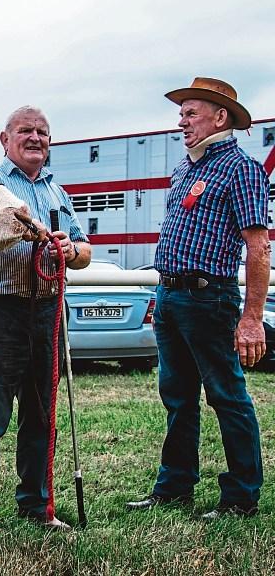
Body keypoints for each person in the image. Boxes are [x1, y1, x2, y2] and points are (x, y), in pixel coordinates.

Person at [126, 78, 269, 519]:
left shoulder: (240, 169)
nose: (181, 121)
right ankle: (174, 486)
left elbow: (258, 246)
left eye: (191, 113)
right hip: (170, 295)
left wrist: (252, 318)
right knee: (177, 395)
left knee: (226, 396)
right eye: (182, 112)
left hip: (211, 299)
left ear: (219, 117)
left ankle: (241, 495)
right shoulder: (187, 168)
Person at [0, 106, 92, 532]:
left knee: (41, 416)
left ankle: (37, 505)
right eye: (25, 131)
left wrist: (70, 251)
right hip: (1, 311)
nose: (35, 137)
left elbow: (85, 250)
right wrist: (23, 233)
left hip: (49, 312)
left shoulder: (58, 191)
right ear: (5, 139)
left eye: (42, 131)